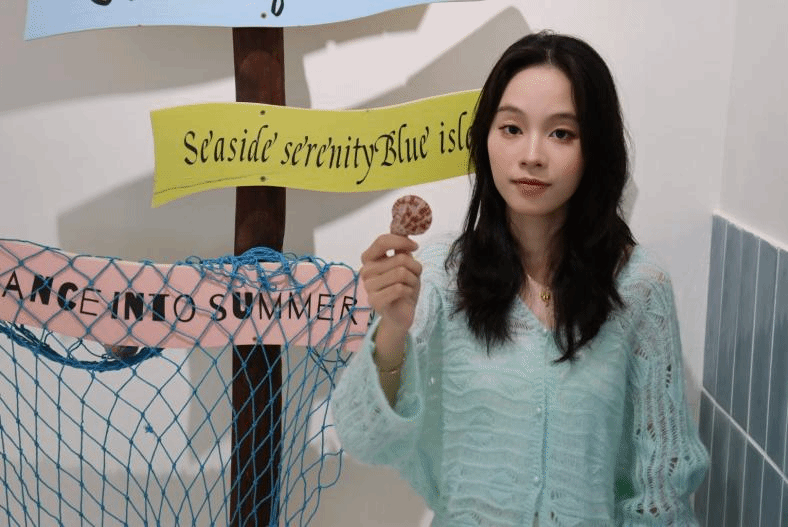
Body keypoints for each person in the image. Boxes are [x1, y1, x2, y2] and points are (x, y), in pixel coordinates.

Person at [330, 30, 709, 526]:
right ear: (485, 138)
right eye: (511, 128)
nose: (532, 155)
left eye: (561, 133)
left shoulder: (639, 287)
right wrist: (393, 331)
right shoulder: (442, 274)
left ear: (595, 148)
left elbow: (661, 488)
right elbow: (364, 438)